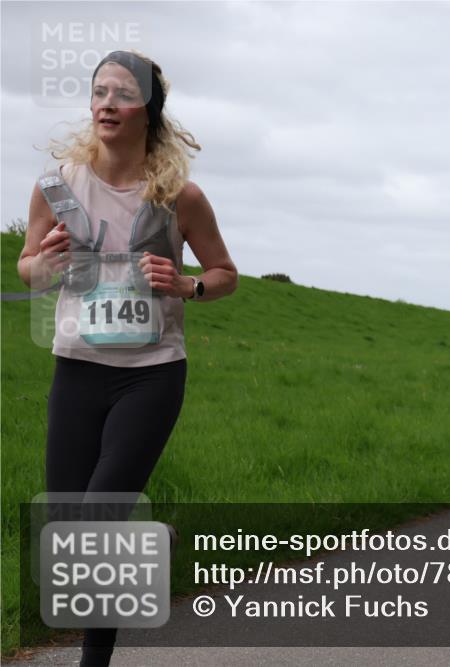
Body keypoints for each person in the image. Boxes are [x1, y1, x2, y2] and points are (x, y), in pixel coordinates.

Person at [17, 51, 238, 667]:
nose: (107, 103)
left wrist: (188, 284)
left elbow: (225, 275)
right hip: (77, 369)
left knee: (100, 515)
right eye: (99, 92)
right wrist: (46, 264)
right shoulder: (56, 186)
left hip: (151, 375)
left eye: (123, 94)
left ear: (149, 110)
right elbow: (28, 269)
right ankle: (150, 542)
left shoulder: (180, 196)